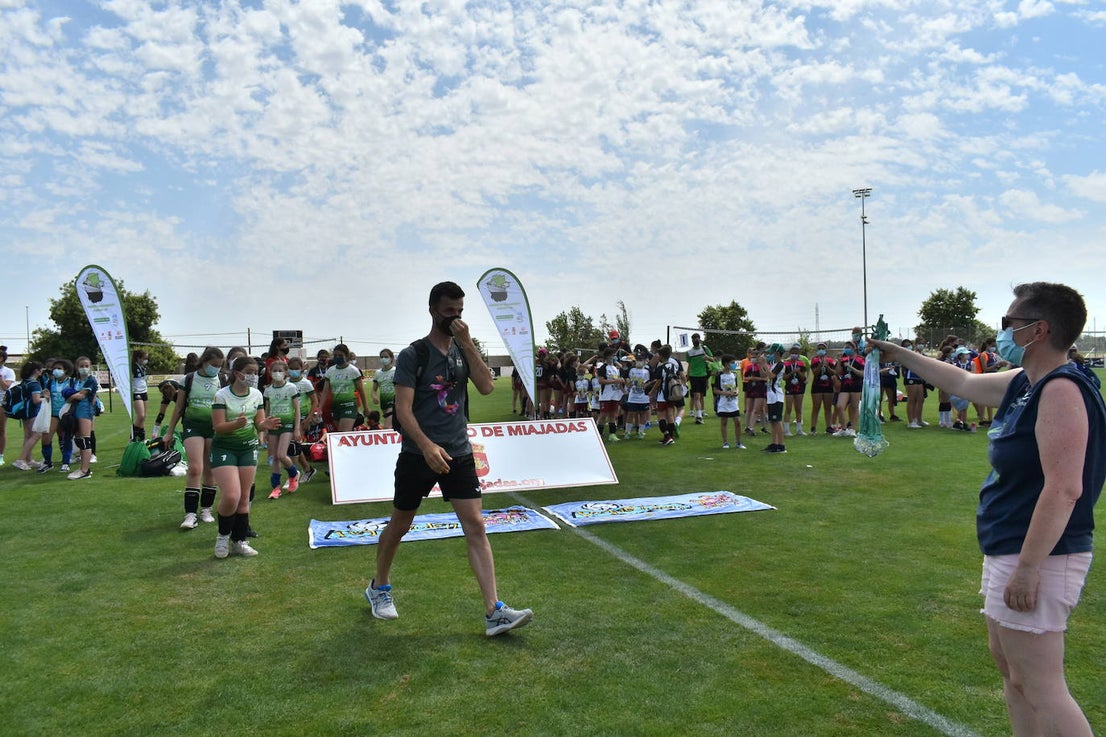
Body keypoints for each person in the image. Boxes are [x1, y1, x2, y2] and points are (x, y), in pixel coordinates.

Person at [871, 282, 1103, 737]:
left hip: (1040, 555)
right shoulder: (1025, 382)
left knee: (1041, 687)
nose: (1002, 332)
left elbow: (1064, 489)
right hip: (1010, 546)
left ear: (1038, 330)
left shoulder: (1060, 389)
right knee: (1015, 677)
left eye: (1008, 323)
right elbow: (961, 382)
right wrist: (897, 353)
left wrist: (1028, 569)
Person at [364, 281, 532, 636]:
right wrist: (426, 446)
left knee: (476, 525)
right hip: (418, 453)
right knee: (400, 525)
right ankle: (379, 586)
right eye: (448, 311)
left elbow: (486, 386)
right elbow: (403, 411)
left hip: (459, 451)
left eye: (459, 311)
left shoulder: (462, 349)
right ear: (432, 311)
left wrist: (468, 343)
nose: (454, 317)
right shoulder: (414, 354)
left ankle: (494, 611)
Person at [210, 356, 281, 558]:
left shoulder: (257, 395)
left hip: (248, 449)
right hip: (225, 449)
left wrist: (265, 425)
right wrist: (235, 425)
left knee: (244, 497)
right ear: (237, 373)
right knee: (231, 496)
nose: (253, 376)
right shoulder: (222, 395)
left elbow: (258, 423)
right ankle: (223, 537)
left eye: (256, 372)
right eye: (249, 372)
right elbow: (218, 427)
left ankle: (239, 541)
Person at [160, 347, 227, 530]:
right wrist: (169, 431)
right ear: (204, 361)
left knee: (210, 469)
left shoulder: (222, 379)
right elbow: (179, 407)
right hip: (193, 426)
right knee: (196, 468)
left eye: (219, 365)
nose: (216, 368)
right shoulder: (188, 379)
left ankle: (206, 510)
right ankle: (190, 514)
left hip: (214, 428)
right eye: (213, 364)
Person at [262, 359, 302, 500]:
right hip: (273, 426)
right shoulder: (268, 390)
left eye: (280, 370)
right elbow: (267, 410)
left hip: (287, 425)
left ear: (286, 372)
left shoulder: (291, 388)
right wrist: (265, 429)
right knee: (274, 458)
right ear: (270, 372)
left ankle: (293, 474)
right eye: (274, 371)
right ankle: (276, 488)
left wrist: (297, 429)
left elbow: (297, 410)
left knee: (281, 455)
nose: (277, 373)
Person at [38, 358, 77, 474]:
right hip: (53, 413)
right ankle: (47, 463)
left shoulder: (72, 381)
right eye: (54, 368)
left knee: (65, 437)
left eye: (59, 368)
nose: (56, 371)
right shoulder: (50, 382)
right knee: (46, 437)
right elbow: (44, 394)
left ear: (66, 370)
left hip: (67, 413)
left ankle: (66, 463)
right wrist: (45, 395)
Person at [65, 356, 100, 480]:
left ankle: (85, 470)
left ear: (90, 367)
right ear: (77, 367)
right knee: (79, 440)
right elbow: (68, 396)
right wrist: (71, 396)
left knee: (85, 439)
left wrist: (71, 395)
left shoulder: (91, 380)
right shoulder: (74, 381)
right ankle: (82, 468)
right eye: (81, 366)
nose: (84, 368)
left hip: (85, 411)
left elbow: (80, 395)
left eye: (86, 366)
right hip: (75, 410)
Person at [321, 344, 369, 432]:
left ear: (346, 356)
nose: (337, 357)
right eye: (335, 355)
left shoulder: (353, 370)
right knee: (340, 434)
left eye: (340, 355)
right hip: (336, 407)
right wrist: (320, 409)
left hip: (349, 406)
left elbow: (361, 391)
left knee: (343, 433)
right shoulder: (330, 371)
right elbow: (325, 392)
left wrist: (366, 408)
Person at [11, 361, 45, 470]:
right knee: (37, 434)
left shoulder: (25, 382)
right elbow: (36, 400)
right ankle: (21, 459)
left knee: (28, 436)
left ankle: (29, 460)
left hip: (24, 412)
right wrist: (46, 398)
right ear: (36, 371)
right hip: (32, 412)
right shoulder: (34, 384)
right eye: (40, 369)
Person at [759, 344, 787, 453]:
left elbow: (771, 376)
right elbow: (764, 375)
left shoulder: (780, 364)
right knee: (772, 421)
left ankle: (781, 445)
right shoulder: (773, 364)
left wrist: (764, 365)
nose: (770, 355)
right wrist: (762, 365)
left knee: (777, 420)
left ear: (778, 353)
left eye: (772, 353)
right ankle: (774, 443)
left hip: (776, 396)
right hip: (771, 395)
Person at [715, 354, 746, 450]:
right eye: (732, 363)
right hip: (724, 403)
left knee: (738, 421)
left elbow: (736, 386)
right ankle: (725, 442)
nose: (734, 365)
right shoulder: (719, 375)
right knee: (724, 422)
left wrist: (736, 391)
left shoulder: (734, 374)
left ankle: (739, 442)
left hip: (733, 402)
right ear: (726, 364)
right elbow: (715, 390)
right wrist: (725, 393)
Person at [808, 342, 836, 434]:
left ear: (826, 350)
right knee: (816, 407)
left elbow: (833, 373)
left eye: (823, 348)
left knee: (828, 407)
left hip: (828, 386)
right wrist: (820, 365)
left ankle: (829, 427)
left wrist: (827, 366)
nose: (821, 350)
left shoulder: (830, 360)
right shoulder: (814, 360)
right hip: (817, 386)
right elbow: (815, 373)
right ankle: (813, 427)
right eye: (819, 348)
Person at [685, 333, 713, 424]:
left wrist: (707, 357)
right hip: (694, 376)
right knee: (696, 396)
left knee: (701, 396)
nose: (695, 340)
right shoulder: (689, 352)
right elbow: (689, 365)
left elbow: (713, 359)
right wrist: (687, 376)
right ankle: (699, 416)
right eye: (694, 339)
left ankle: (701, 412)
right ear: (692, 340)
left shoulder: (704, 349)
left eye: (697, 338)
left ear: (699, 339)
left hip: (703, 375)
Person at [899, 339, 928, 429]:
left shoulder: (921, 354)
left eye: (923, 343)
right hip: (910, 377)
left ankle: (918, 419)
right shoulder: (908, 354)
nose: (921, 345)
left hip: (919, 378)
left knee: (920, 399)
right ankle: (911, 421)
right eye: (919, 343)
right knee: (911, 399)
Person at [782, 344, 808, 437]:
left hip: (799, 388)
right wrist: (791, 372)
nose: (794, 355)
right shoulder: (786, 364)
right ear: (789, 353)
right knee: (788, 408)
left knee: (798, 409)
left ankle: (799, 430)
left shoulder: (801, 363)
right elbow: (784, 377)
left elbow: (803, 377)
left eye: (796, 353)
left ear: (799, 354)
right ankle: (786, 430)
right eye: (792, 353)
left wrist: (798, 372)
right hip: (789, 388)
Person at [372, 348, 397, 429]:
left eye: (386, 357)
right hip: (383, 403)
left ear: (391, 358)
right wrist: (374, 396)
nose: (383, 359)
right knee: (393, 425)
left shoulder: (396, 371)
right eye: (382, 357)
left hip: (393, 402)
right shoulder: (378, 373)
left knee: (387, 426)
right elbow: (374, 390)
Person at [0, 346, 15, 466]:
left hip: (2, 403)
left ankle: (0, 456)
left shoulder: (8, 371)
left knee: (1, 429)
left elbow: (6, 387)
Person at [131, 349, 150, 440]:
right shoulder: (133, 367)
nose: (146, 360)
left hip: (144, 392)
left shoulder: (143, 367)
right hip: (136, 392)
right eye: (144, 358)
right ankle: (132, 436)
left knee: (144, 417)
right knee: (140, 415)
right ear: (138, 358)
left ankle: (142, 437)